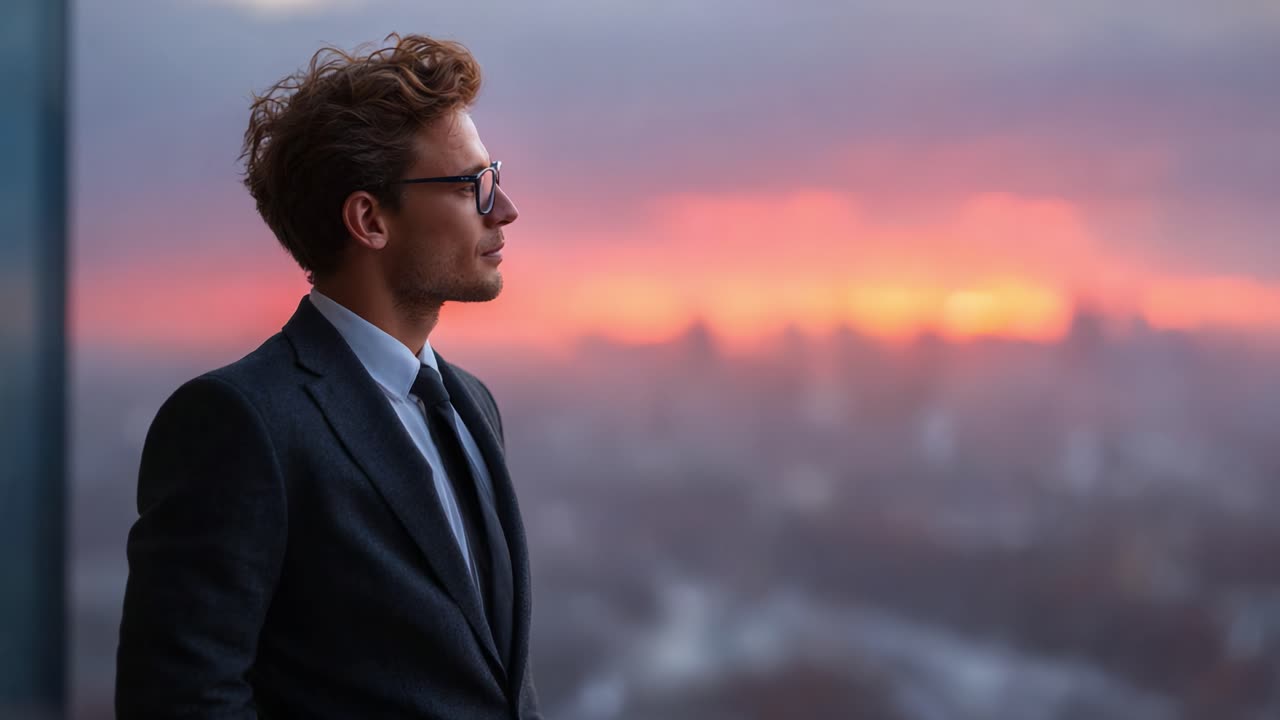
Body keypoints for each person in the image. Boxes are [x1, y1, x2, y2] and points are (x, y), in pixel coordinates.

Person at [115, 34, 541, 720]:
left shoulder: (471, 405)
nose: (505, 208)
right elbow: (182, 701)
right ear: (369, 219)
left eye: (494, 173)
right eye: (473, 185)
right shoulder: (241, 422)